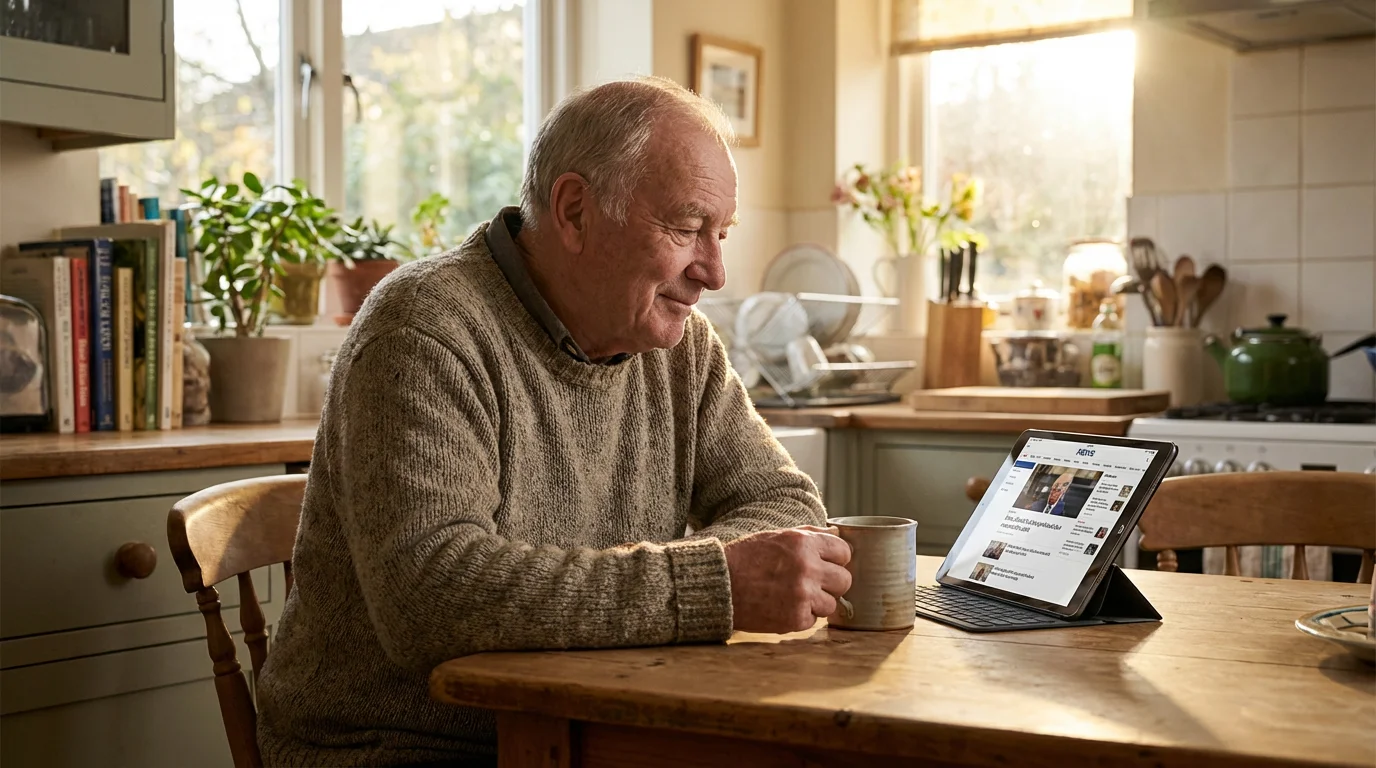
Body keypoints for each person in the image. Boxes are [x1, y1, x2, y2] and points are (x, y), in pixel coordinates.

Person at [255, 77, 853, 768]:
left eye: (721, 235)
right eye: (688, 229)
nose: (714, 272)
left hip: (592, 720)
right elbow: (432, 596)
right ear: (574, 211)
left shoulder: (680, 345)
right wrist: (714, 584)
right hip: (400, 745)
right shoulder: (424, 329)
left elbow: (785, 505)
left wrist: (725, 578)